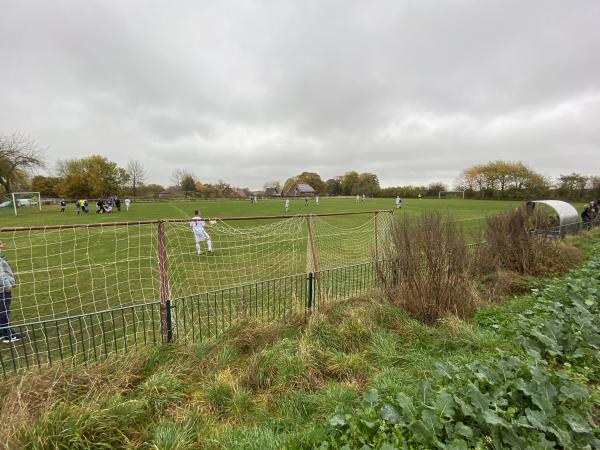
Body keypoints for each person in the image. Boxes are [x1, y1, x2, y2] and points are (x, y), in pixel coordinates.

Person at [0, 240, 26, 343]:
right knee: (3, 310)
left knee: (2, 309)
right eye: (0, 243)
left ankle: (1, 332)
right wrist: (7, 286)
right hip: (2, 289)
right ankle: (8, 335)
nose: (2, 245)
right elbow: (1, 275)